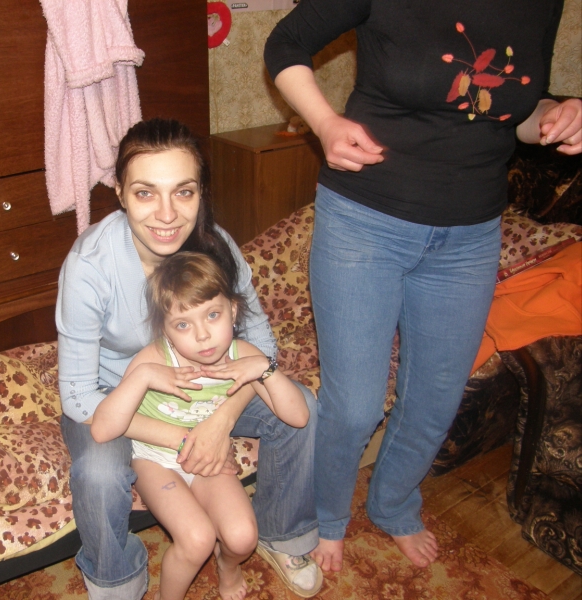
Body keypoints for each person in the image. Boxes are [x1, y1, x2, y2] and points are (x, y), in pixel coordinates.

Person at [264, 0, 581, 573]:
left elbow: (518, 110)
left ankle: (393, 504)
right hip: (365, 220)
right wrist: (325, 122)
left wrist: (555, 114)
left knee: (435, 399)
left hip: (471, 235)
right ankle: (327, 515)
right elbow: (285, 41)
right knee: (355, 406)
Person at [56, 118, 322, 599]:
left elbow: (261, 345)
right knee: (98, 472)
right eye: (145, 193)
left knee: (302, 405)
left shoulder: (215, 245)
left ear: (201, 193)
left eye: (183, 192)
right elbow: (76, 395)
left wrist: (222, 420)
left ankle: (283, 532)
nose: (166, 214)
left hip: (212, 388)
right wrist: (184, 439)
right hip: (118, 396)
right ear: (119, 193)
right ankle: (116, 582)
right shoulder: (90, 265)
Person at [90, 251, 311, 600]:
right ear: (164, 329)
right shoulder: (154, 359)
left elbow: (298, 417)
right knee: (197, 540)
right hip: (155, 461)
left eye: (212, 315)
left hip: (207, 457)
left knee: (242, 538)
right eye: (183, 325)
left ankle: (228, 565)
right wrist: (143, 376)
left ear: (233, 311)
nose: (203, 335)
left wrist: (264, 369)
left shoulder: (243, 356)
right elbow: (103, 429)